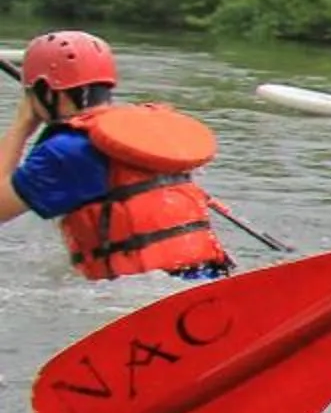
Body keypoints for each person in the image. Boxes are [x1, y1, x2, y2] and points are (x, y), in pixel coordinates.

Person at [1, 30, 234, 281]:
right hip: (206, 278)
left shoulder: (65, 152)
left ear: (47, 93)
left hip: (143, 291)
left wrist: (22, 125)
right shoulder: (144, 130)